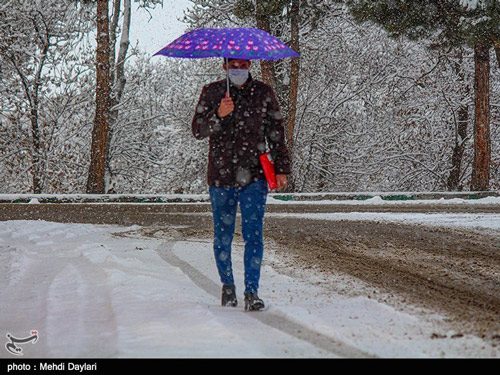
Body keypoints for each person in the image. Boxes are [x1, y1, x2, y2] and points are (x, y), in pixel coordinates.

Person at [192, 58, 290, 311]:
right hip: (221, 176)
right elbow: (198, 130)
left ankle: (252, 292)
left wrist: (282, 168)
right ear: (224, 66)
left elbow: (276, 132)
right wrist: (218, 115)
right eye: (233, 64)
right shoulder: (212, 92)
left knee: (254, 235)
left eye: (243, 64)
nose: (238, 68)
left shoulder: (263, 93)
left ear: (250, 65)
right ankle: (228, 286)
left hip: (254, 176)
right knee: (222, 235)